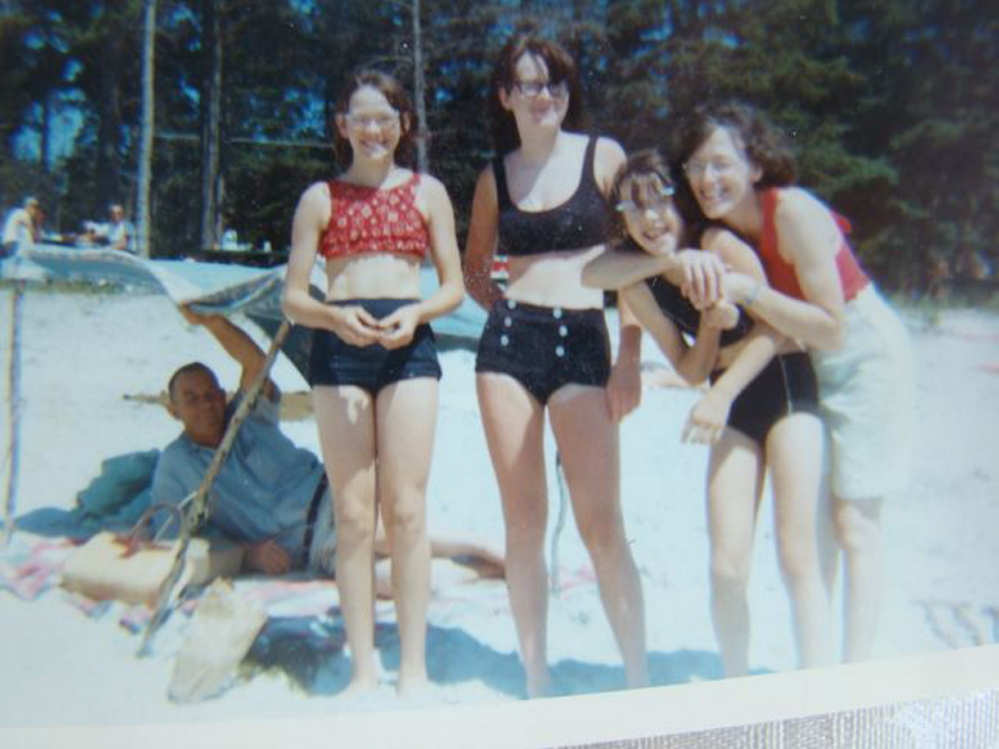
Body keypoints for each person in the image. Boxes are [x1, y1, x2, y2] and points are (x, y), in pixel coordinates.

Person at [673, 101, 914, 663]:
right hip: (806, 355)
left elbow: (830, 328)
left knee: (854, 523)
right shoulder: (724, 231)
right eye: (695, 167)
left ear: (756, 165)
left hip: (862, 352)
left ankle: (853, 676)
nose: (707, 180)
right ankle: (818, 674)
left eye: (721, 164)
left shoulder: (795, 212)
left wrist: (750, 292)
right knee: (818, 535)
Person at [583, 149, 831, 676]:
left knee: (795, 555)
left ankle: (820, 685)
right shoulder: (638, 283)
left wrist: (721, 393)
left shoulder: (717, 244)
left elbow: (778, 327)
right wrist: (711, 324)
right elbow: (691, 368)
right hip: (728, 401)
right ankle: (736, 687)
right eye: (633, 208)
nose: (650, 219)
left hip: (785, 386)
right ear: (621, 220)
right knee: (725, 567)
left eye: (660, 203)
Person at [462, 33, 648, 696]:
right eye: (529, 84)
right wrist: (509, 308)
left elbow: (634, 265)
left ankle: (637, 679)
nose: (543, 96)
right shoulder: (493, 176)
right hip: (508, 347)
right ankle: (536, 678)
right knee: (523, 522)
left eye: (556, 83)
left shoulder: (604, 158)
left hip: (586, 342)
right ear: (505, 95)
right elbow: (474, 269)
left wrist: (629, 358)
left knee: (602, 522)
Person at [281, 69, 464, 696]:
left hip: (409, 347)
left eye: (385, 118)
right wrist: (333, 316)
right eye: (361, 118)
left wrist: (417, 312)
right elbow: (292, 298)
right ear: (342, 126)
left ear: (403, 126)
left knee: (407, 511)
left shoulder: (428, 192)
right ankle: (364, 667)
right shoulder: (320, 198)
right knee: (355, 517)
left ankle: (413, 665)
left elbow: (454, 287)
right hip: (338, 350)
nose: (373, 130)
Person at [152, 307, 504, 589]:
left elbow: (256, 364)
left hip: (340, 494)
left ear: (223, 394)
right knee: (383, 581)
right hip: (314, 547)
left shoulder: (246, 418)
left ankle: (485, 548)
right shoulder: (176, 465)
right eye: (191, 399)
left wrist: (212, 321)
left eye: (211, 394)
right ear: (172, 410)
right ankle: (485, 573)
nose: (206, 405)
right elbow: (172, 537)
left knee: (383, 534)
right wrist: (247, 555)